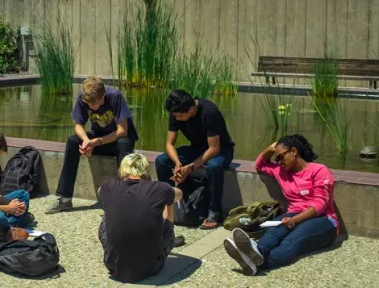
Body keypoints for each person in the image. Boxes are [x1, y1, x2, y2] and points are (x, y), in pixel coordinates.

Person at [224, 134, 339, 276]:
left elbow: (320, 204)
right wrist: (270, 149)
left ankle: (258, 263)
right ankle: (257, 251)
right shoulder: (281, 171)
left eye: (280, 157)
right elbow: (259, 165)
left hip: (323, 220)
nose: (278, 162)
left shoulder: (319, 170)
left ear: (294, 151)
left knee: (291, 241)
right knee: (273, 232)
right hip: (293, 215)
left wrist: (295, 220)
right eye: (276, 158)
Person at [45, 76, 139, 214]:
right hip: (98, 138)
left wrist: (97, 141)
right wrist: (86, 142)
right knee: (72, 141)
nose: (91, 107)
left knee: (123, 144)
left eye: (95, 104)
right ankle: (64, 199)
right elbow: (78, 126)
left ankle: (125, 200)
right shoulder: (84, 96)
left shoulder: (115, 96)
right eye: (88, 104)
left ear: (103, 96)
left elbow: (122, 131)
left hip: (118, 140)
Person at [155, 89, 235, 229]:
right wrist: (178, 163)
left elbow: (214, 149)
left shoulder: (210, 112)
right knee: (161, 160)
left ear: (191, 110)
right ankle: (166, 205)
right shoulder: (176, 111)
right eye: (175, 116)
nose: (177, 119)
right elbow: (169, 144)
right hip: (197, 148)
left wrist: (190, 167)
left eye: (180, 116)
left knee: (214, 166)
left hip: (221, 149)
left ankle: (214, 212)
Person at [98, 154, 183, 283]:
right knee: (169, 202)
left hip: (113, 266)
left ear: (122, 170)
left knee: (107, 218)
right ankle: (165, 236)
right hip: (151, 267)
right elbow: (179, 194)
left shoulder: (108, 187)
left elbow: (99, 191)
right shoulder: (159, 188)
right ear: (146, 172)